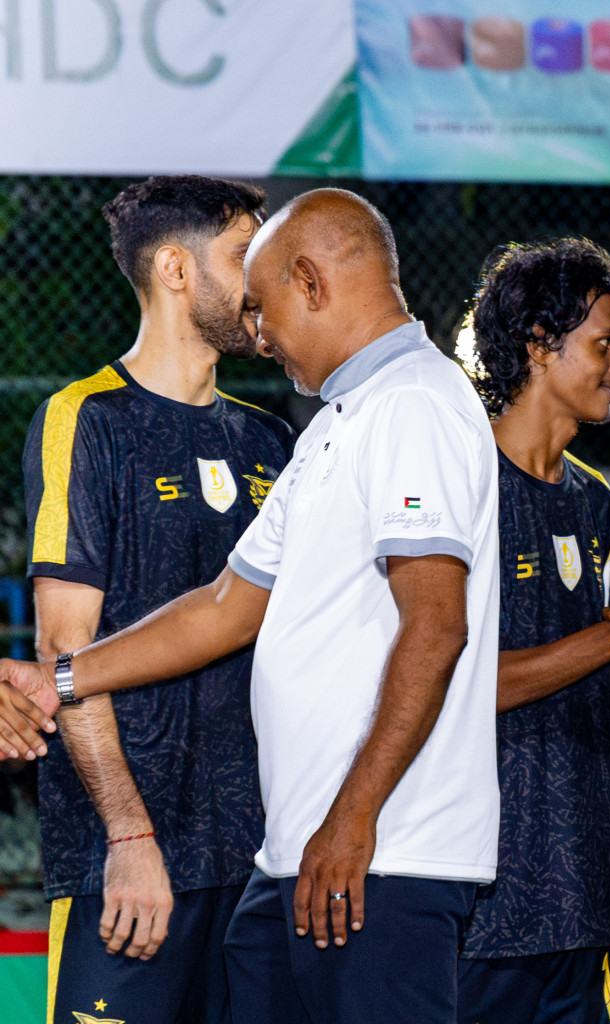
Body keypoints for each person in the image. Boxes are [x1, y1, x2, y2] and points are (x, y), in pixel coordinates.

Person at [0, 187, 503, 1024]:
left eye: (264, 299)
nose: (256, 325)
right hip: (272, 861)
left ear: (312, 281)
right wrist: (62, 678)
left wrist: (350, 820)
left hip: (364, 852)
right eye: (243, 284)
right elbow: (227, 605)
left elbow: (437, 624)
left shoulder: (399, 406)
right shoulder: (325, 426)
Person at [22, 176, 291, 1024]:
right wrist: (130, 840)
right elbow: (66, 658)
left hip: (257, 856)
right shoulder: (84, 419)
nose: (265, 277)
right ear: (176, 269)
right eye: (245, 255)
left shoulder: (270, 438)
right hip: (130, 861)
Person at [455, 237, 610, 1024]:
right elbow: (461, 684)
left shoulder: (593, 500)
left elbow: (582, 648)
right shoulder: (455, 480)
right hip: (479, 893)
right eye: (606, 343)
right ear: (539, 346)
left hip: (583, 884)